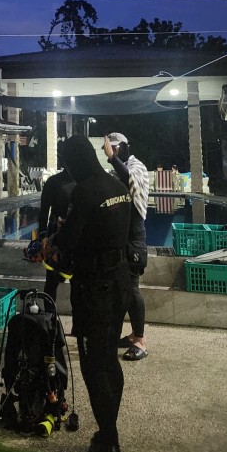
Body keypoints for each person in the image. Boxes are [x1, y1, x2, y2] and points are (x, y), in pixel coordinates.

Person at [46, 134, 132, 452]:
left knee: (93, 367)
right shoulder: (117, 185)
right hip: (120, 282)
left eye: (68, 162)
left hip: (95, 288)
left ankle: (110, 448)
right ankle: (107, 433)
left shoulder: (84, 191)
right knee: (109, 360)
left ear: (76, 160)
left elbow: (69, 242)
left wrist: (57, 236)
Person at [103, 132, 150, 361]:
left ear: (123, 147)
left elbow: (131, 181)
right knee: (121, 289)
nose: (113, 152)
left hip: (134, 239)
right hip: (121, 238)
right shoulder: (117, 170)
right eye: (111, 149)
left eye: (115, 148)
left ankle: (140, 340)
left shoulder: (136, 166)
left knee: (132, 289)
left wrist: (113, 159)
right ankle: (131, 335)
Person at [37, 142, 75, 302]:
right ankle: (49, 316)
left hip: (75, 241)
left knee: (77, 284)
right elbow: (43, 211)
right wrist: (42, 236)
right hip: (55, 240)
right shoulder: (53, 182)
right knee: (51, 282)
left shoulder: (85, 183)